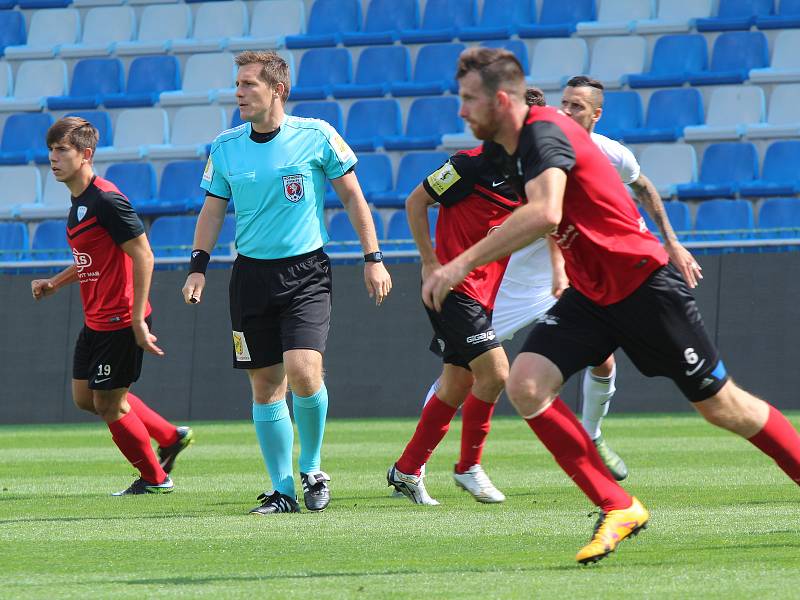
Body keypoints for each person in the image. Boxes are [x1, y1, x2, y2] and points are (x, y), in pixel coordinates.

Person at [422, 47, 800, 564]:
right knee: (527, 383)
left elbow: (545, 211)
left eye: (468, 100)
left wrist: (459, 263)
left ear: (500, 100)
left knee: (722, 406)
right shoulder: (504, 150)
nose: (461, 111)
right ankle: (617, 504)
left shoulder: (543, 132)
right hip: (592, 293)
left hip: (644, 284)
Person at [411, 81, 700, 487]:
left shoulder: (608, 153)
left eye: (577, 106)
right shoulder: (518, 156)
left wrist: (672, 242)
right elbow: (542, 217)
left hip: (562, 280)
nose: (567, 113)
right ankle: (416, 465)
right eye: (563, 104)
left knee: (603, 358)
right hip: (506, 281)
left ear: (595, 115)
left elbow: (641, 186)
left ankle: (592, 434)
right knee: (463, 374)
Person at [182, 51, 392, 515]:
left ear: (278, 89)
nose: (239, 92)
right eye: (237, 84)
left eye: (249, 84)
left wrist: (372, 257)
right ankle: (281, 490)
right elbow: (212, 211)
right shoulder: (226, 147)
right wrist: (197, 266)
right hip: (249, 277)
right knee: (264, 387)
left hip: (306, 273)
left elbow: (355, 197)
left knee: (303, 371)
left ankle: (313, 467)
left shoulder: (317, 135)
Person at [31, 117, 193, 496]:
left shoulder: (106, 199)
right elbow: (94, 258)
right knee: (86, 398)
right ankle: (169, 437)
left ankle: (156, 478)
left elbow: (144, 255)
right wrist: (55, 282)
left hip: (121, 318)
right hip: (97, 320)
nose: (53, 158)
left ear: (85, 154)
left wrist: (138, 319)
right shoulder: (80, 202)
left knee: (108, 403)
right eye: (50, 150)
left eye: (61, 150)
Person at [387, 141, 525, 505]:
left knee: (457, 382)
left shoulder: (532, 173)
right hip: (451, 285)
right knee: (495, 372)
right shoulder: (470, 165)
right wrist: (430, 262)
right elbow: (416, 201)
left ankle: (407, 469)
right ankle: (469, 466)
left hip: (483, 292)